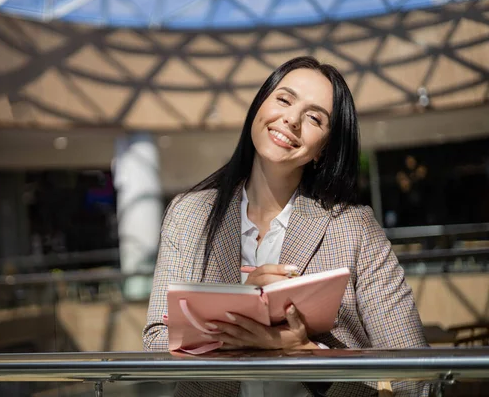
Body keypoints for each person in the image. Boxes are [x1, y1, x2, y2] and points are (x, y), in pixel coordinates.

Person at [142, 56, 429, 396]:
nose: (291, 119)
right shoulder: (190, 214)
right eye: (284, 99)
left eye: (314, 118)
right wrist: (239, 310)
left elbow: (415, 372)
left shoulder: (353, 227)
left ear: (324, 148)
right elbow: (156, 346)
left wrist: (303, 351)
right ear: (259, 106)